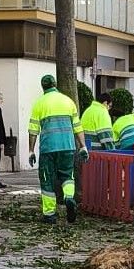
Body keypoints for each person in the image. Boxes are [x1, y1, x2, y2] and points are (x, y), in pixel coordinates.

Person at [28, 75, 87, 224]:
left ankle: (49, 214)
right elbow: (77, 127)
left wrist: (31, 150)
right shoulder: (68, 102)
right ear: (55, 84)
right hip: (68, 147)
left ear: (43, 87)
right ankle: (68, 198)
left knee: (47, 180)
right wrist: (83, 146)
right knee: (68, 176)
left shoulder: (39, 104)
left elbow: (33, 130)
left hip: (48, 148)